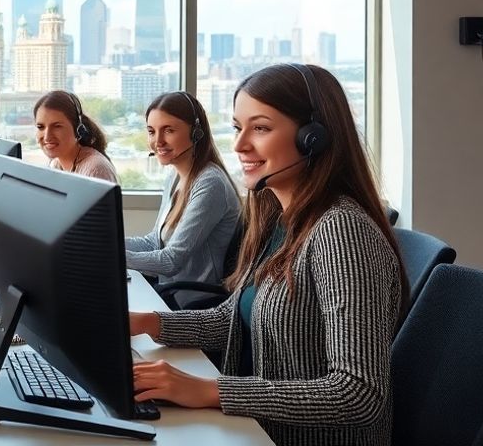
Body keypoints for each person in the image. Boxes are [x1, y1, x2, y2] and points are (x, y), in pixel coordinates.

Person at [129, 63, 407, 446]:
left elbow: (358, 393)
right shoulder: (279, 219)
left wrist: (212, 391)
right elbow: (234, 317)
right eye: (237, 128)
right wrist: (146, 322)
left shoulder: (341, 231)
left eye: (259, 128)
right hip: (259, 431)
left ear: (314, 138)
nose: (240, 145)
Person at [127, 91, 241, 307]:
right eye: (152, 131)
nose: (157, 141)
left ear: (196, 133)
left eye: (168, 130)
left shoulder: (210, 183)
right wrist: (105, 245)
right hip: (167, 291)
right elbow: (153, 242)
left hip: (192, 302)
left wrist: (111, 257)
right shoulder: (175, 176)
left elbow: (171, 261)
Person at [32, 89, 117, 183]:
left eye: (57, 126)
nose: (47, 136)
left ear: (78, 129)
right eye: (41, 127)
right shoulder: (56, 165)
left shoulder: (95, 170)